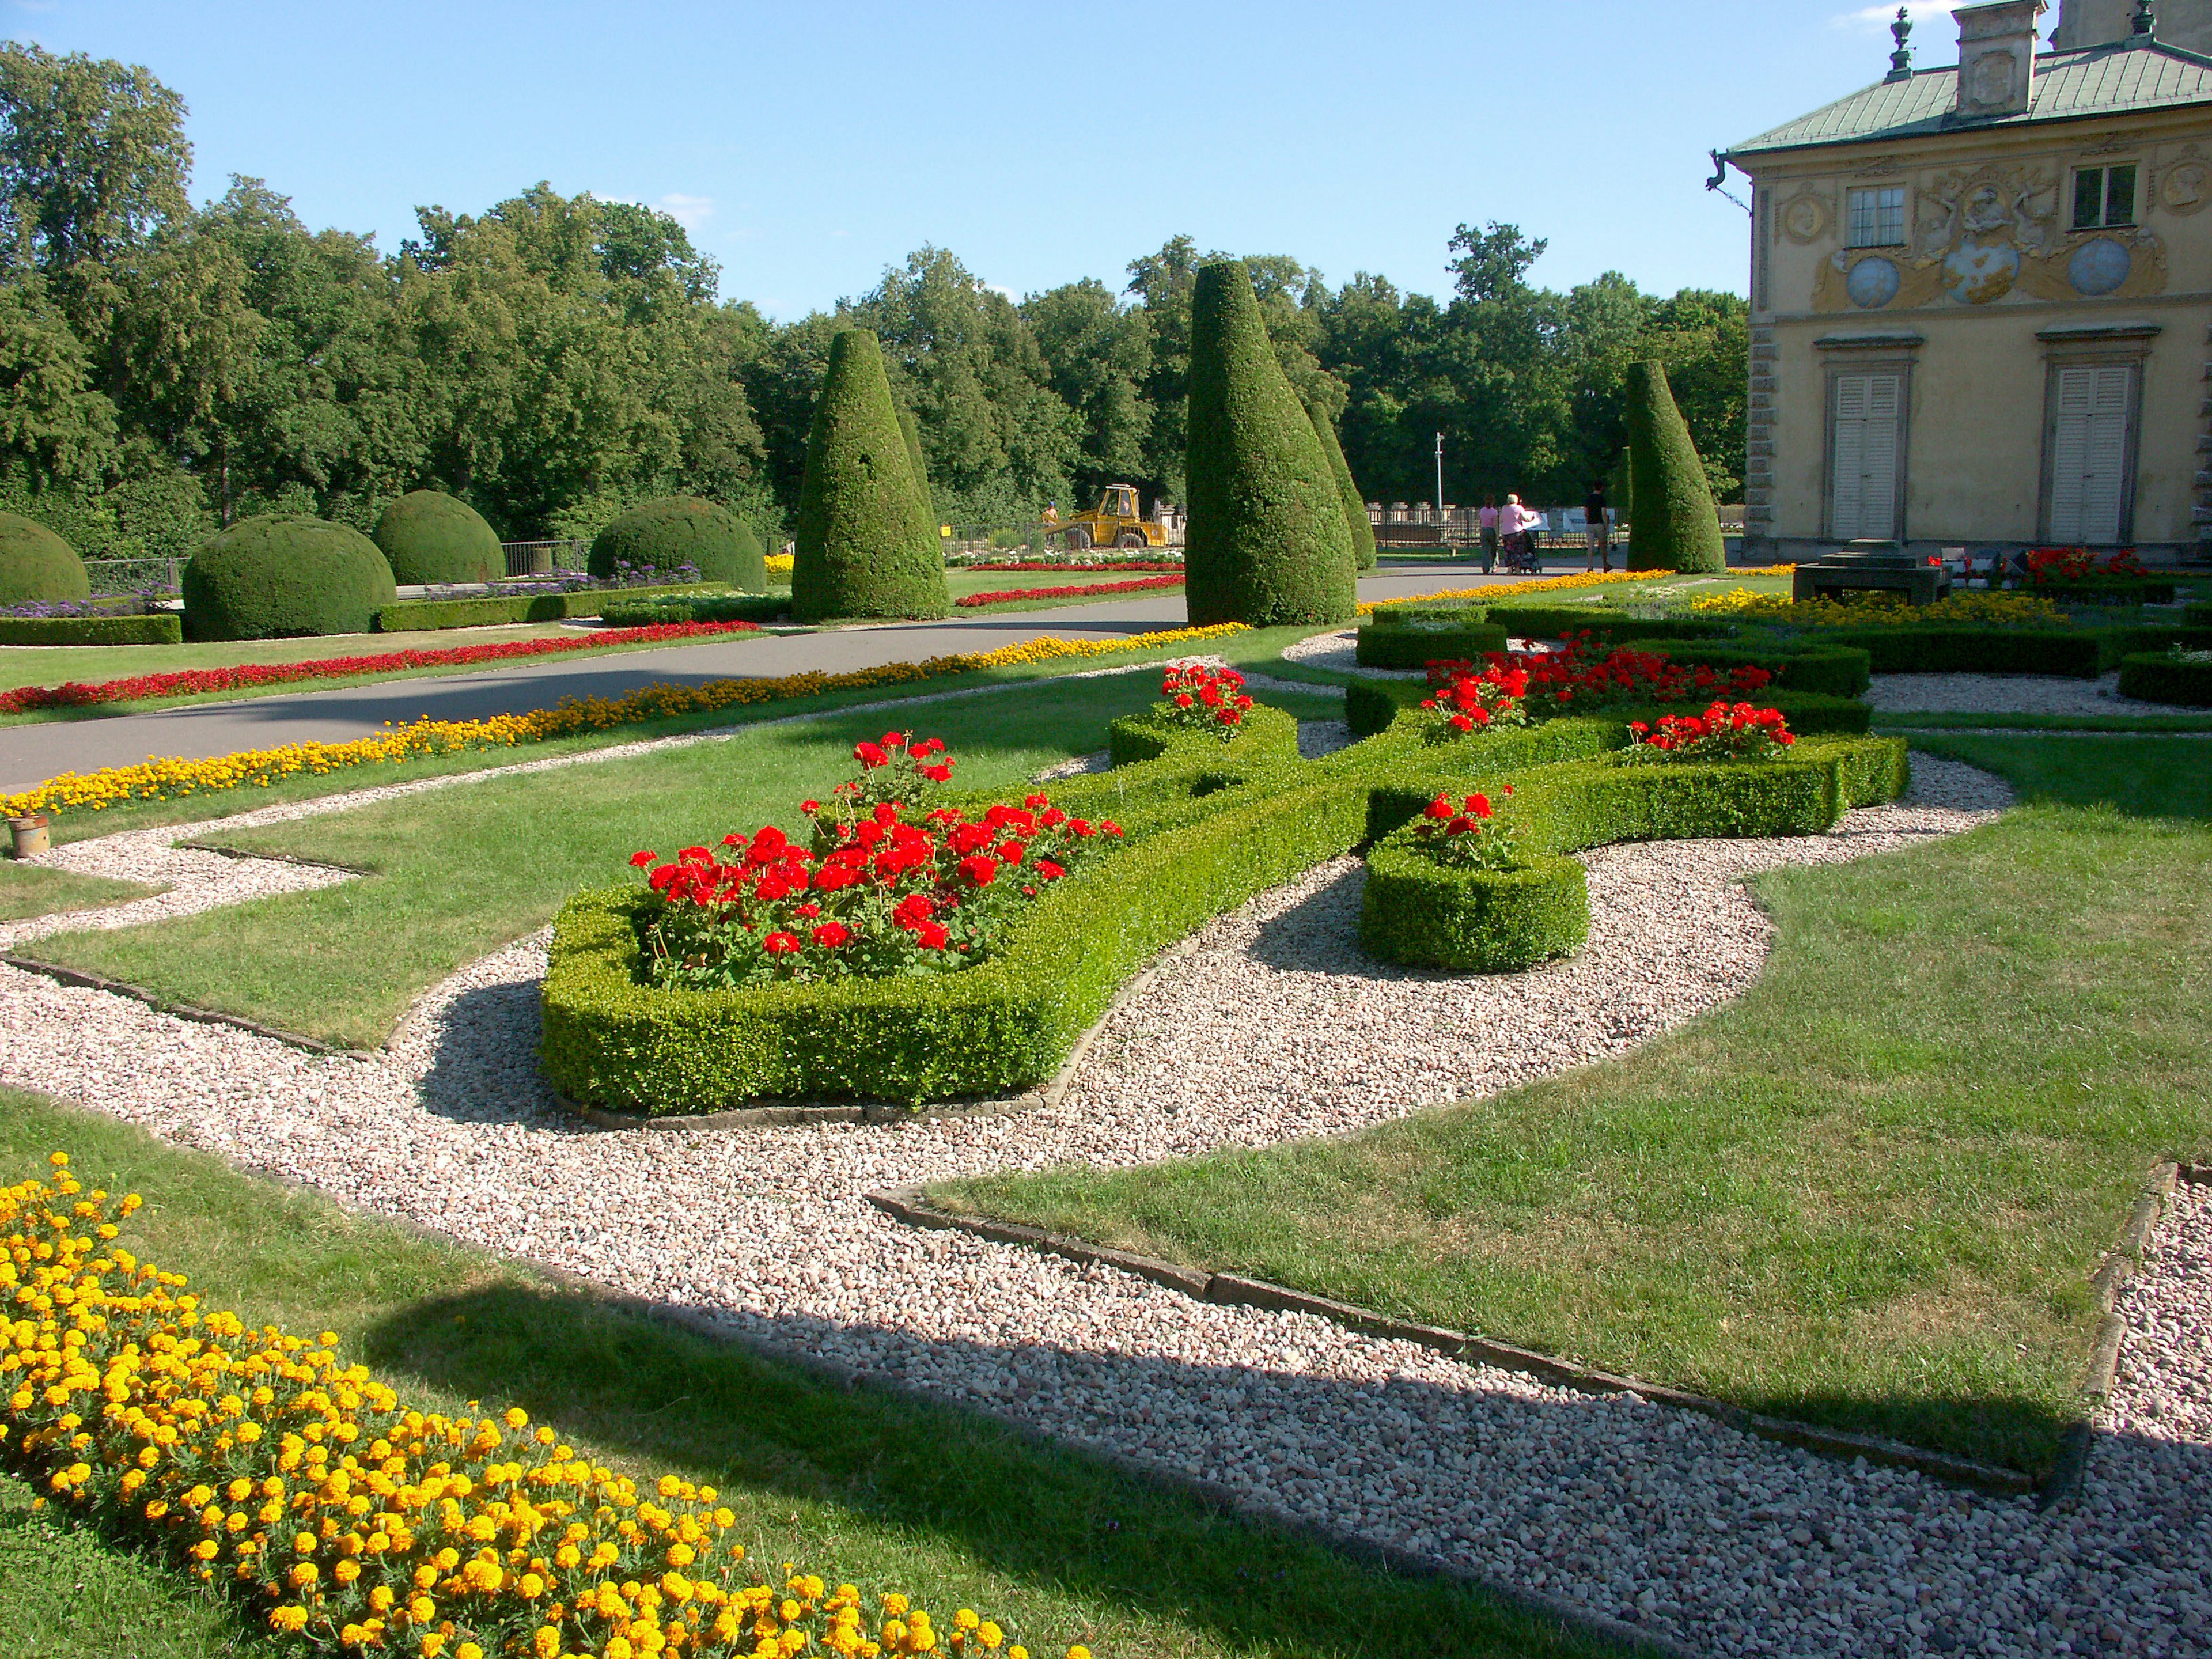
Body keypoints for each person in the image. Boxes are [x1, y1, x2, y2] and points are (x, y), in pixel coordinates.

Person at [1498, 494, 1543, 571]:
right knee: (1518, 551)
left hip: (1505, 532)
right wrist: (1532, 518)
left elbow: (1501, 520)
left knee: (1508, 550)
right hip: (1517, 532)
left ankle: (1509, 569)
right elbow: (1526, 519)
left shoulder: (1504, 508)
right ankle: (1518, 569)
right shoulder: (1519, 508)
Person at [1583, 479, 1610, 572]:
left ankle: (1590, 566)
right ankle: (1605, 565)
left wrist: (1588, 521)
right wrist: (1606, 526)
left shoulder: (1589, 498)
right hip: (1599, 524)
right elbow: (1604, 514)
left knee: (1590, 546)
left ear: (1593, 488)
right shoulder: (1602, 499)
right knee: (1603, 545)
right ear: (1601, 488)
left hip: (1590, 524)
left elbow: (1586, 513)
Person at [1477, 497, 1499, 574]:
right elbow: (1496, 524)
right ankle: (1494, 567)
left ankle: (1485, 568)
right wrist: (1497, 535)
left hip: (1484, 530)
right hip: (1491, 530)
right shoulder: (1494, 512)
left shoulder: (1482, 511)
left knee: (1485, 550)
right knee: (1494, 549)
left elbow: (1481, 522)